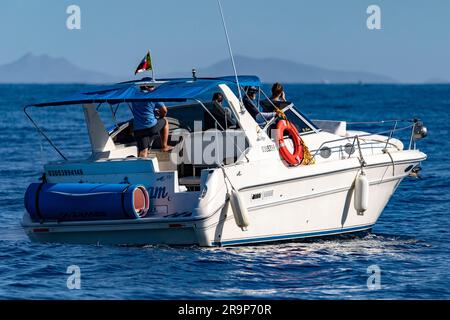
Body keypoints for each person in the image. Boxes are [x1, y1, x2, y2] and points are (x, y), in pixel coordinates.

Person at [131, 85, 173, 157]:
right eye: (153, 86)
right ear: (147, 87)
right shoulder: (153, 96)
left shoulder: (134, 96)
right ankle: (164, 146)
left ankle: (141, 167)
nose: (154, 88)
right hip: (151, 127)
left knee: (143, 151)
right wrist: (161, 116)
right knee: (165, 121)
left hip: (138, 129)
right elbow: (164, 111)